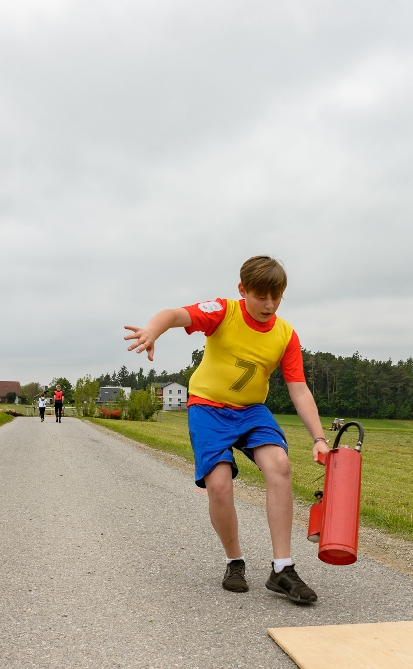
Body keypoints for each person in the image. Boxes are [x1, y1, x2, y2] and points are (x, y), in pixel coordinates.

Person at [124, 255, 328, 604]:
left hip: (251, 412)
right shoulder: (222, 311)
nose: (269, 304)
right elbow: (173, 315)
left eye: (276, 297)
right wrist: (152, 330)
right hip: (208, 408)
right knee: (219, 485)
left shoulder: (285, 334)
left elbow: (299, 389)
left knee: (279, 465)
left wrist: (319, 438)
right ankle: (235, 562)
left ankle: (282, 568)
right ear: (242, 290)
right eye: (261, 296)